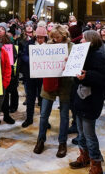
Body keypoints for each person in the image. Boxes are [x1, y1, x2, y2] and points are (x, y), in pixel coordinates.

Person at [70, 30, 105, 174]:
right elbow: (77, 77)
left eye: (83, 39)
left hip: (91, 100)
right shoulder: (80, 55)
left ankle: (96, 163)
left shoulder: (98, 56)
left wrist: (87, 75)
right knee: (81, 134)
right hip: (79, 98)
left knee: (89, 135)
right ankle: (84, 156)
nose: (80, 41)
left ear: (91, 41)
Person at [33, 24, 73, 158]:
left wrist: (70, 62)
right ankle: (40, 140)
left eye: (58, 36)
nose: (56, 39)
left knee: (64, 116)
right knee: (44, 114)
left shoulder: (71, 46)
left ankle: (62, 143)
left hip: (65, 83)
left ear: (64, 35)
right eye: (54, 37)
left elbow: (77, 64)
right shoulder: (47, 47)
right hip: (49, 82)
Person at [21, 26, 47, 127]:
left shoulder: (49, 46)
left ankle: (44, 120)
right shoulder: (29, 44)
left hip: (43, 76)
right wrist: (31, 60)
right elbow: (23, 55)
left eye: (42, 37)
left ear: (45, 37)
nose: (40, 39)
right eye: (38, 37)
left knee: (43, 99)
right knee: (30, 98)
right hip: (31, 75)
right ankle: (29, 118)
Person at [0, 22, 17, 124]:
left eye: (2, 29)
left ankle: (6, 115)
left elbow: (14, 55)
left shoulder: (9, 42)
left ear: (5, 31)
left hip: (6, 71)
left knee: (5, 94)